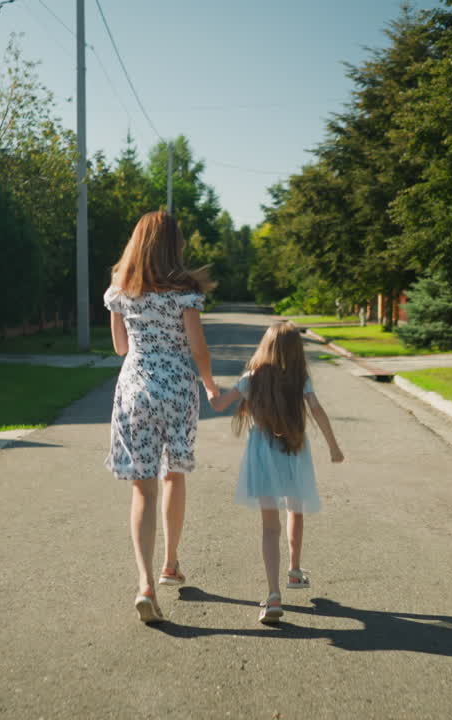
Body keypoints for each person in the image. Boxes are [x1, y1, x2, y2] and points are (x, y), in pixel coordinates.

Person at [104, 210, 219, 624]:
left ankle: (146, 583)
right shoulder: (184, 291)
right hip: (176, 389)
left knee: (143, 490)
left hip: (135, 389)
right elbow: (198, 346)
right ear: (173, 245)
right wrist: (209, 384)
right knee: (174, 474)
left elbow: (120, 348)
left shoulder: (120, 290)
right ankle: (171, 562)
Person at [210, 321, 344, 624]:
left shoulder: (252, 377)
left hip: (261, 453)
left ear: (265, 346)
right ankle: (294, 571)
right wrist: (334, 447)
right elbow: (317, 409)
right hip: (294, 449)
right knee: (295, 509)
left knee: (269, 527)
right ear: (297, 350)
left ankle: (273, 595)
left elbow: (219, 404)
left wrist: (207, 383)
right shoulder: (300, 378)